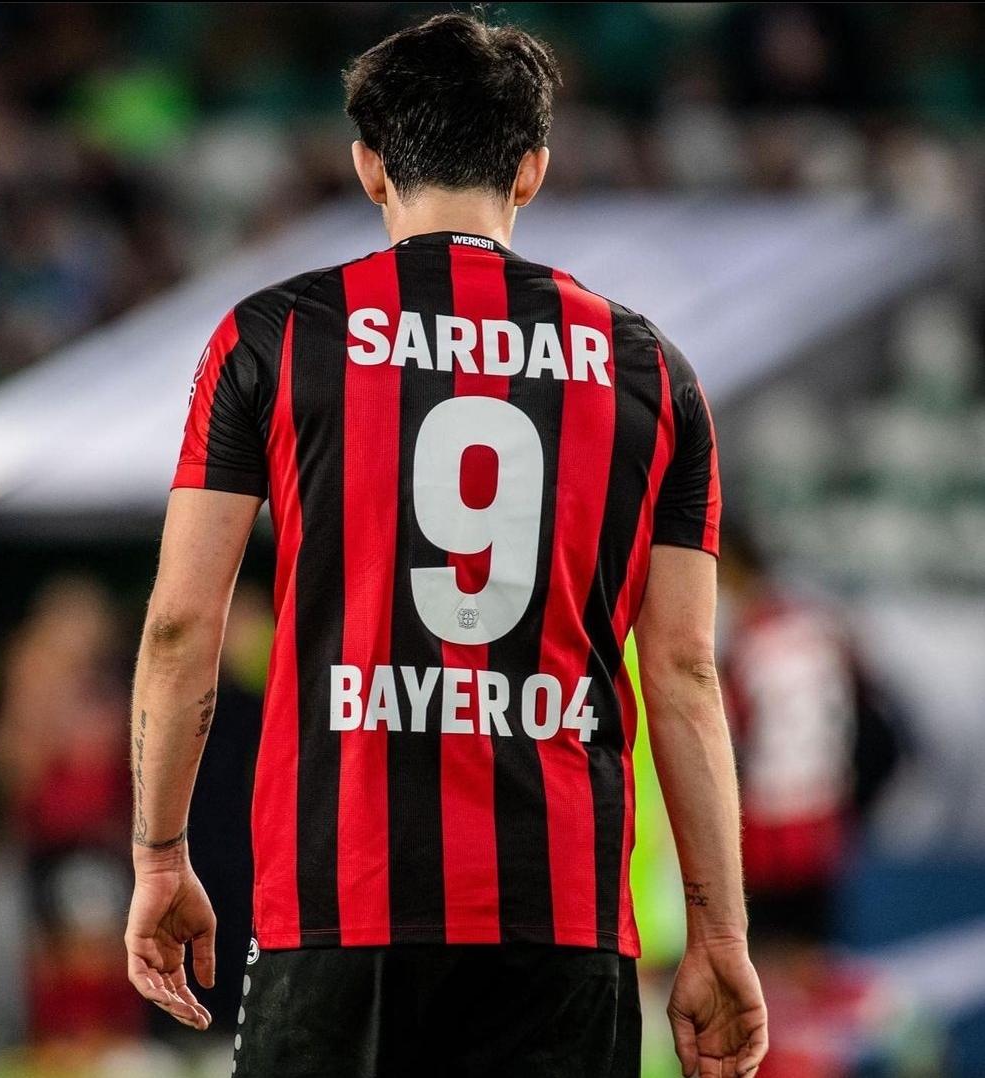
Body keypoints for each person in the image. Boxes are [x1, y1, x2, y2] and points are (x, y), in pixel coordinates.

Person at [123, 13, 767, 1078]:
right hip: (560, 920)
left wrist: (159, 857)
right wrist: (718, 934)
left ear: (369, 166)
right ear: (531, 170)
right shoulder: (652, 370)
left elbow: (182, 625)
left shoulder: (271, 336)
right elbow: (685, 674)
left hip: (337, 904)